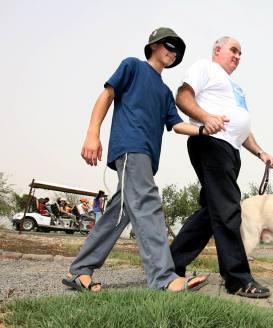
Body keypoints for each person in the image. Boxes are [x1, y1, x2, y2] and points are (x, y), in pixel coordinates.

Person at [62, 27, 211, 293]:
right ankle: (164, 277)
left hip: (145, 157)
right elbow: (107, 95)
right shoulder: (132, 66)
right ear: (153, 45)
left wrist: (204, 127)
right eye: (169, 45)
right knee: (148, 203)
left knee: (118, 214)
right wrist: (92, 133)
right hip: (131, 147)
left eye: (177, 50)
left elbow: (176, 125)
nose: (173, 52)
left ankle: (80, 270)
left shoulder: (165, 92)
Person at [170, 36, 273, 298]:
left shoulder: (236, 87)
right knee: (228, 209)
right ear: (217, 50)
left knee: (211, 211)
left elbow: (243, 127)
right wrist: (206, 118)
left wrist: (261, 152)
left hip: (231, 149)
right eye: (234, 50)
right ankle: (237, 279)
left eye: (241, 53)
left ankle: (169, 265)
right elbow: (182, 96)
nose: (238, 56)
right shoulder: (205, 68)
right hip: (211, 143)